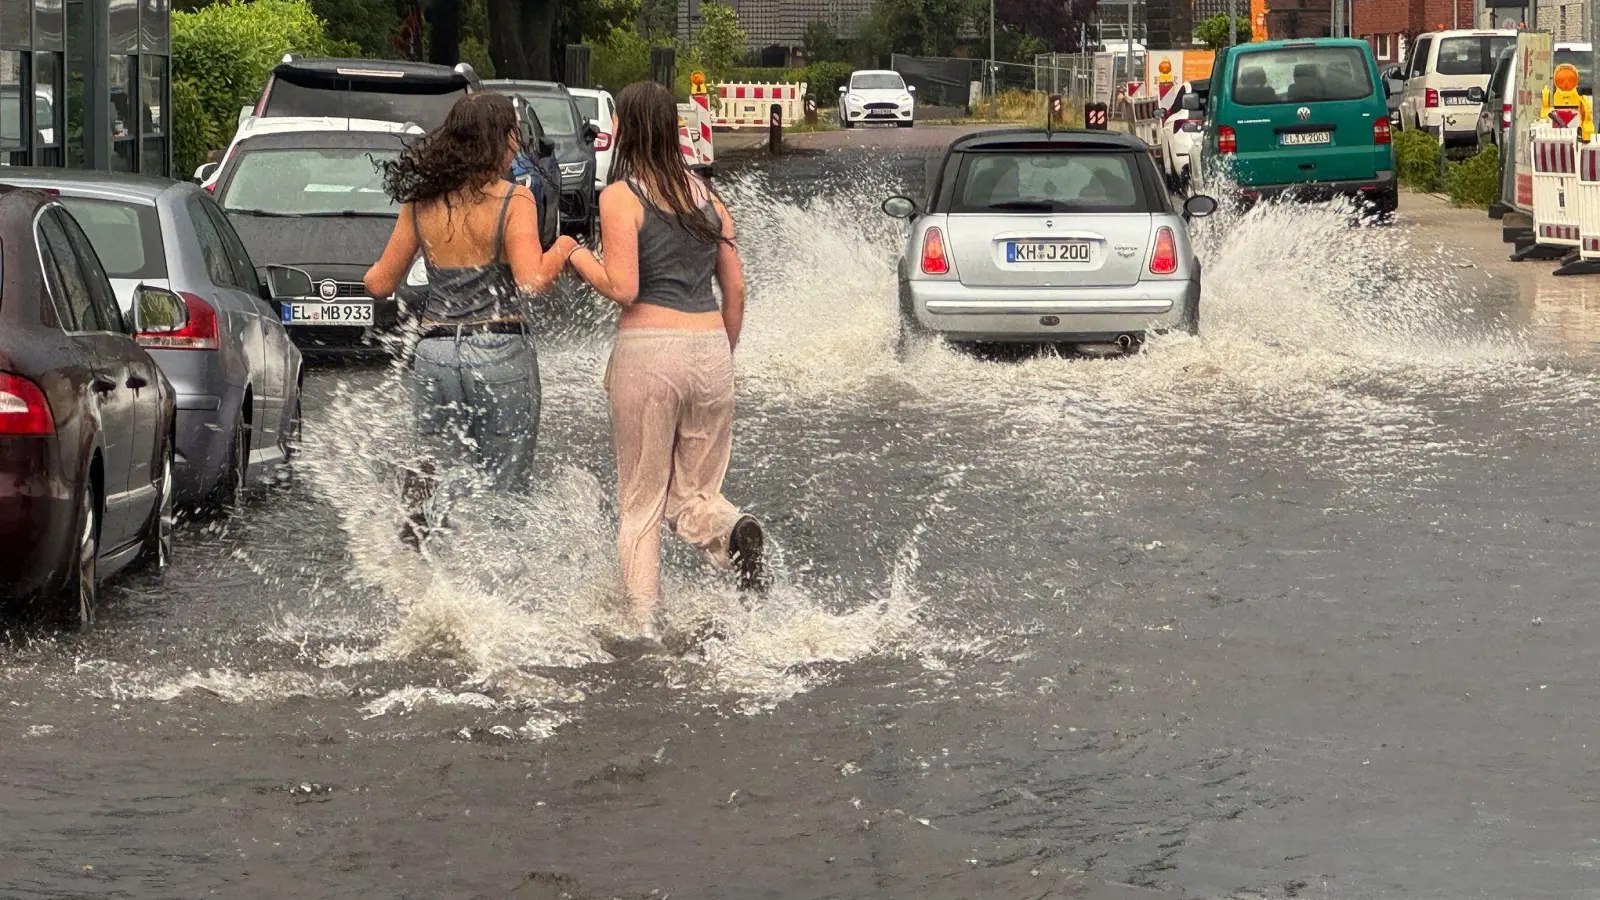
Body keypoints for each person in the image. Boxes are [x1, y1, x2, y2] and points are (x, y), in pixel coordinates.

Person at [564, 80, 767, 641]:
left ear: (626, 130)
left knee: (642, 501)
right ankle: (731, 531)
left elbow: (624, 287)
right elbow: (737, 290)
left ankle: (645, 626)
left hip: (650, 354)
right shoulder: (708, 197)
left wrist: (576, 255)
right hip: (709, 351)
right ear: (673, 130)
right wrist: (720, 353)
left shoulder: (620, 197)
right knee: (697, 493)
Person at [363, 92, 576, 543]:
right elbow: (532, 282)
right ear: (495, 141)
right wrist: (565, 248)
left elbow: (379, 284)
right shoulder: (513, 200)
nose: (517, 145)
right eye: (513, 135)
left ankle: (428, 531)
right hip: (498, 348)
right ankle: (491, 583)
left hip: (435, 352)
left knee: (441, 463)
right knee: (504, 484)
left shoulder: (421, 203)